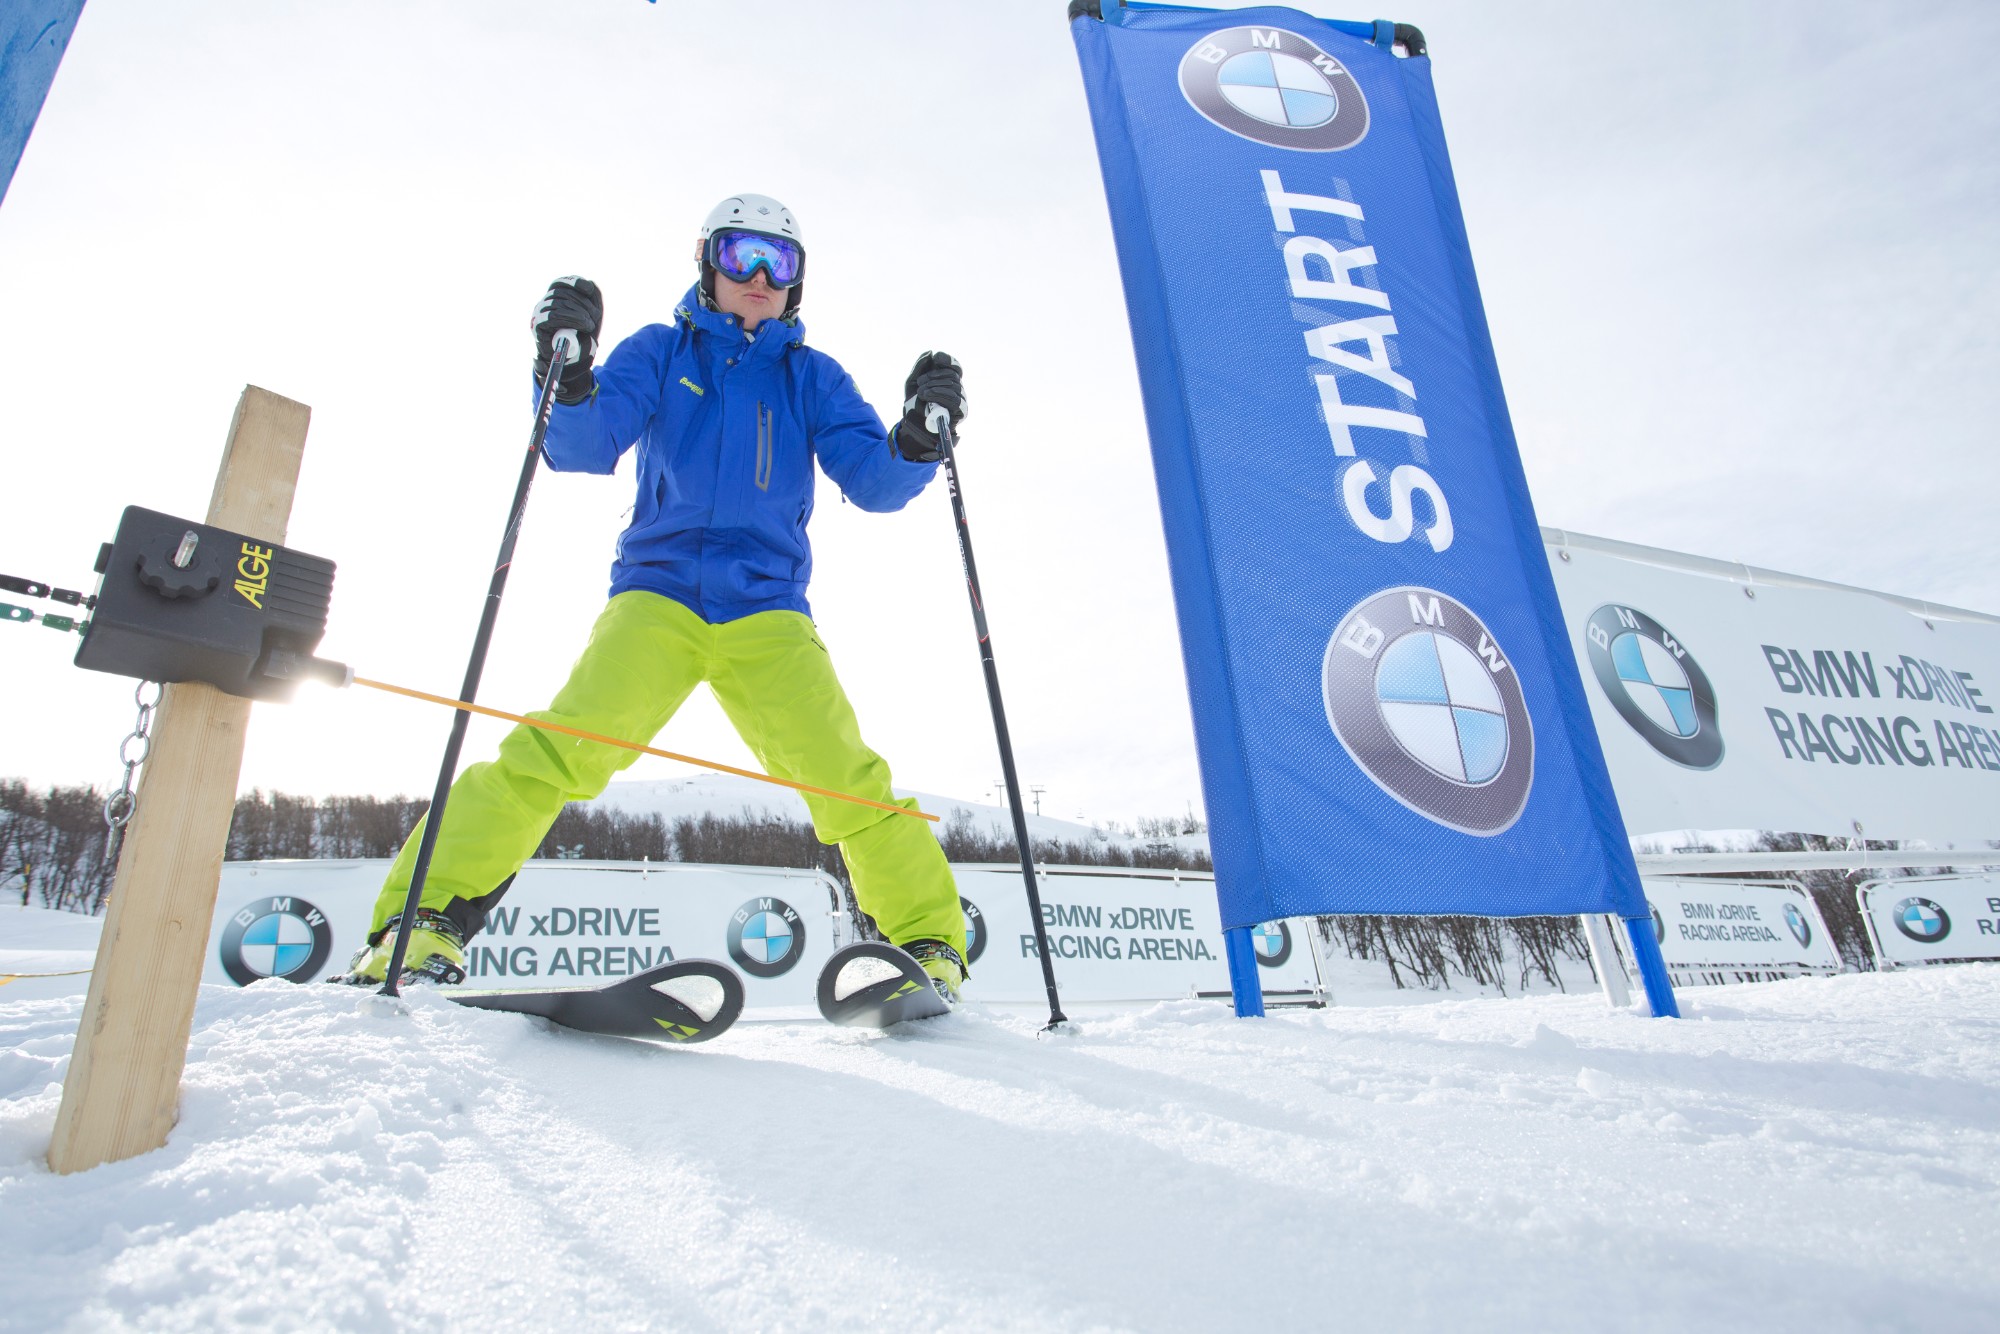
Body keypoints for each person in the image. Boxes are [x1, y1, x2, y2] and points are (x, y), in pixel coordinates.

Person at [338, 193, 971, 1002]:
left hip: (768, 611)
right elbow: (581, 444)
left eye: (778, 262)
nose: (758, 275)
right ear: (707, 262)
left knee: (847, 779)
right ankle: (421, 923)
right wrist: (565, 375)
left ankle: (925, 945)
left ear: (796, 282)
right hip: (657, 599)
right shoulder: (661, 352)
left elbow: (876, 484)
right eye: (740, 254)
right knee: (556, 750)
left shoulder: (812, 377)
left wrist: (918, 437)